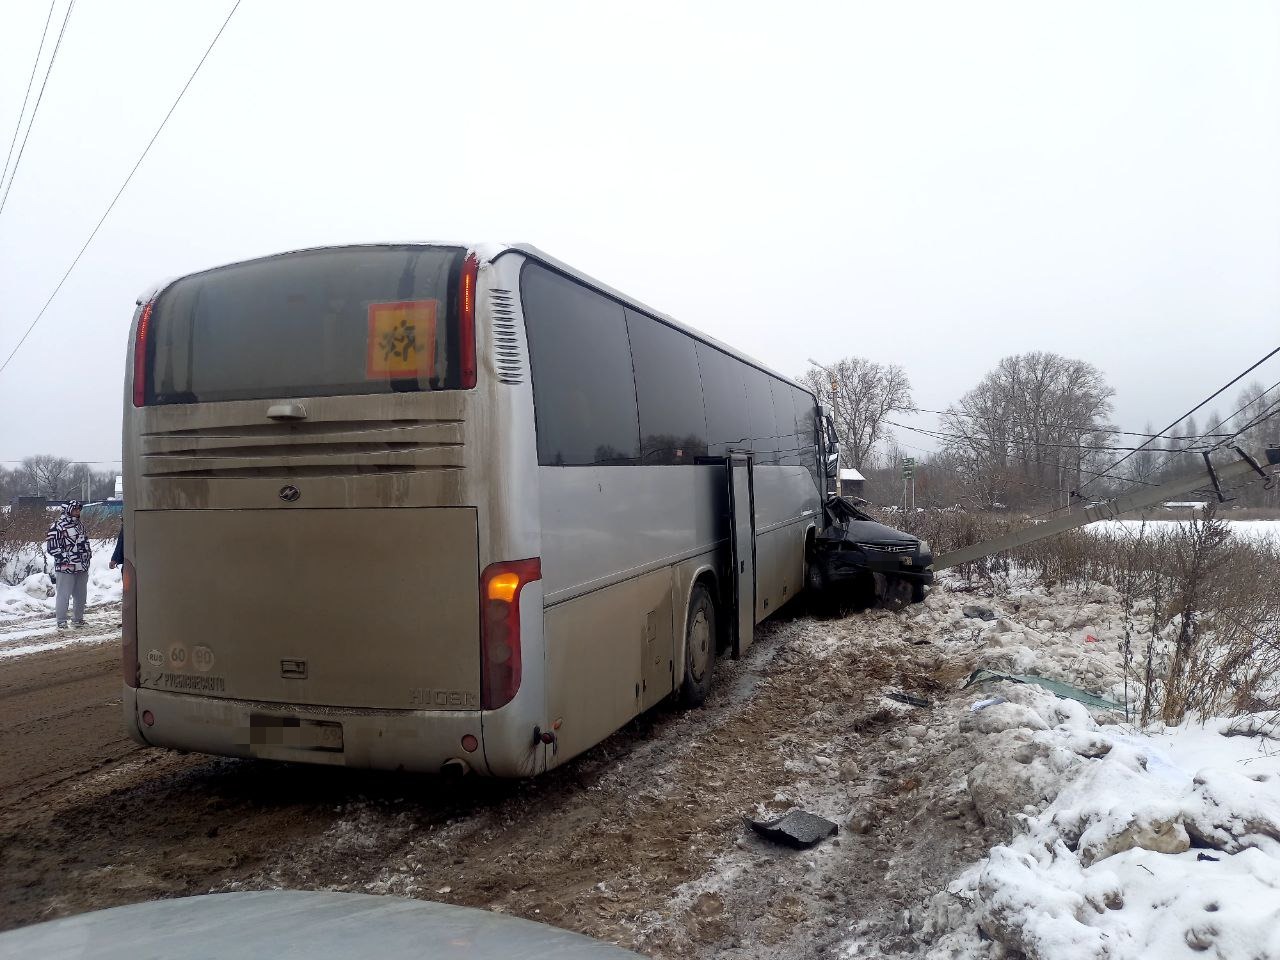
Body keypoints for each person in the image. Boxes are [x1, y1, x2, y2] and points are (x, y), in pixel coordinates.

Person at [46, 500, 92, 630]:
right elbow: (52, 548)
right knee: (63, 595)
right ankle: (61, 621)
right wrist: (66, 557)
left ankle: (78, 619)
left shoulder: (80, 525)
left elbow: (85, 543)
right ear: (68, 510)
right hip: (65, 567)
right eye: (75, 509)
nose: (77, 512)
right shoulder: (57, 526)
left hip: (82, 566)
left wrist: (88, 556)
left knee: (81, 595)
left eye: (79, 509)